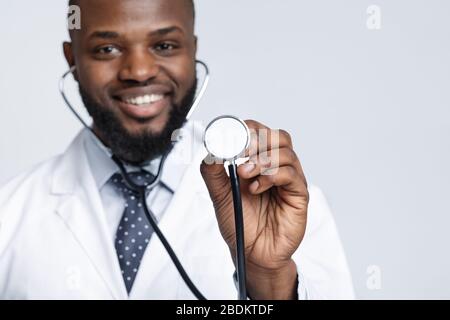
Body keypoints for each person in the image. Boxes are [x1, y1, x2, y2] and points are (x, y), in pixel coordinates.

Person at [0, 0, 354, 300]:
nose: (139, 72)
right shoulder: (9, 215)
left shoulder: (276, 199)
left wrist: (267, 277)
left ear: (193, 50)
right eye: (107, 49)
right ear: (71, 59)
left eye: (165, 45)